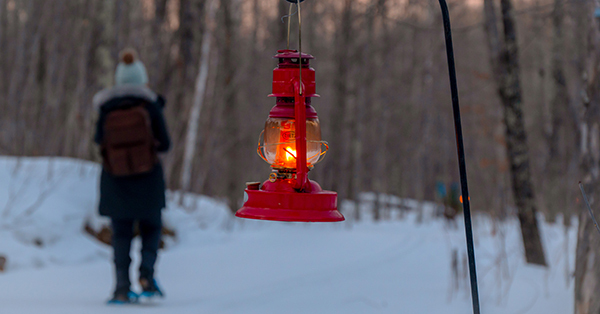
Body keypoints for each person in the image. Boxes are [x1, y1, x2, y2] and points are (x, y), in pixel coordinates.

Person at [93, 49, 171, 304]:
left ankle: (121, 289)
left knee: (121, 234)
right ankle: (147, 276)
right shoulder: (149, 105)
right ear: (141, 79)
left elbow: (98, 141)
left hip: (116, 179)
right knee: (151, 227)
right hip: (147, 178)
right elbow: (166, 143)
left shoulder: (106, 107)